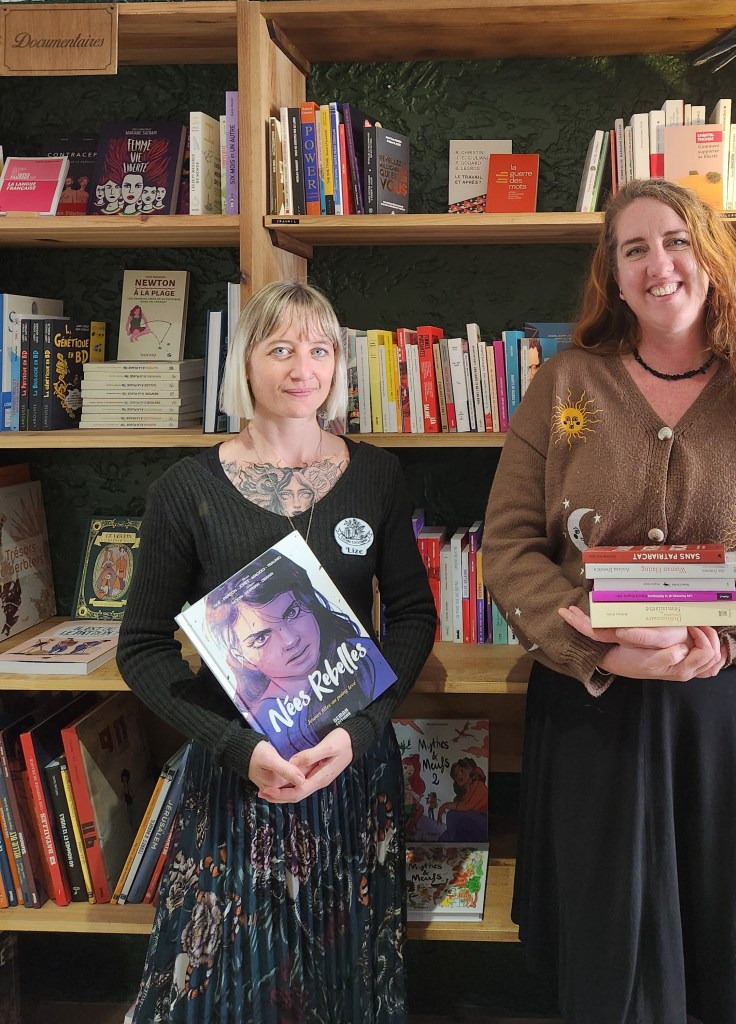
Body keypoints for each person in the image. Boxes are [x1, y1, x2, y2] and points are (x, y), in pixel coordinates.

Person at [482, 178, 736, 1024]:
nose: (660, 265)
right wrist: (599, 649)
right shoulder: (563, 383)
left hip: (729, 720)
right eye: (636, 249)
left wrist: (721, 635)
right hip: (592, 713)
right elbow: (507, 547)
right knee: (603, 961)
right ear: (613, 277)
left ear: (712, 258)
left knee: (719, 960)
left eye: (678, 241)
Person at [117, 279, 436, 1022]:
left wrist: (359, 733)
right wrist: (236, 747)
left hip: (348, 764)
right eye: (281, 349)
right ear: (245, 363)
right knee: (224, 984)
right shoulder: (184, 490)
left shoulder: (378, 475)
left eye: (320, 350)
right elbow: (141, 647)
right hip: (240, 772)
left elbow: (413, 616)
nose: (303, 369)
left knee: (346, 973)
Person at [202, 549, 391, 758]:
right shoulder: (261, 723)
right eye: (261, 638)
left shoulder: (364, 657)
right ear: (240, 656)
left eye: (292, 612)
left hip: (372, 749)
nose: (290, 640)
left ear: (309, 602)